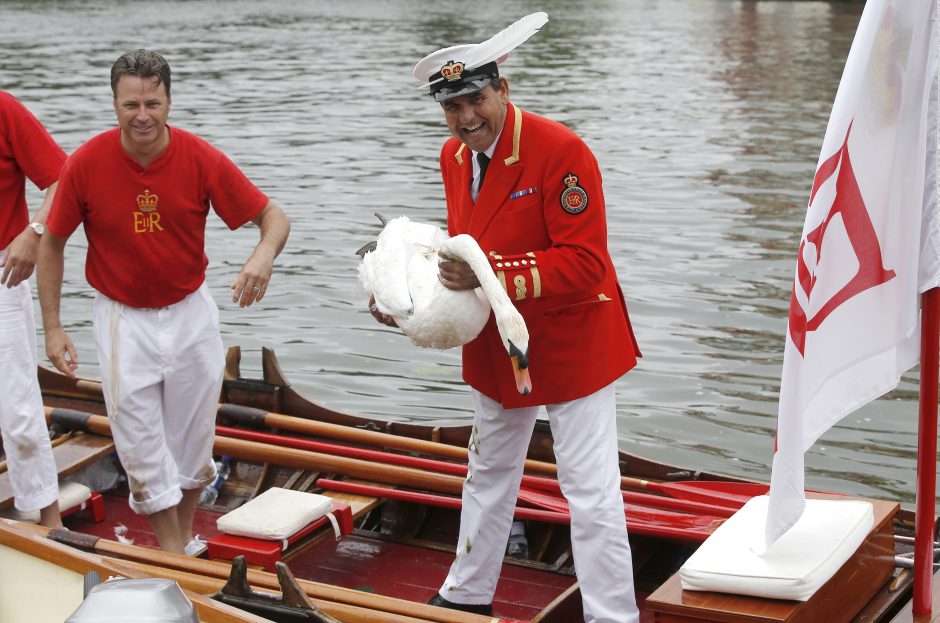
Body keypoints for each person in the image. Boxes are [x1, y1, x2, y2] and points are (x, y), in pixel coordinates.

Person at [380, 13, 643, 623]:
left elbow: (587, 265)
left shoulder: (562, 151)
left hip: (572, 342)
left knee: (590, 492)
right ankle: (467, 593)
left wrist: (490, 276)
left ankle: (613, 616)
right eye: (452, 107)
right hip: (499, 345)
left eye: (475, 99)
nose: (466, 118)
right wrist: (407, 297)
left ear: (502, 88)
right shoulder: (452, 156)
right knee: (487, 472)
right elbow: (462, 251)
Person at [37, 49, 290, 555]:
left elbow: (274, 218)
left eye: (153, 102)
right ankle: (176, 553)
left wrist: (261, 257)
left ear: (169, 100)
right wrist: (53, 327)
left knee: (194, 438)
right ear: (114, 104)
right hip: (120, 316)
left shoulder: (199, 157)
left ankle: (179, 543)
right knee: (139, 441)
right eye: (131, 104)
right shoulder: (86, 162)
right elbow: (52, 242)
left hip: (190, 311)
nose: (143, 115)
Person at [0, 91, 65, 529]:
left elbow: (63, 179)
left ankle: (50, 519)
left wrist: (35, 231)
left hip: (3, 273)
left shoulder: (4, 110)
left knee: (19, 407)